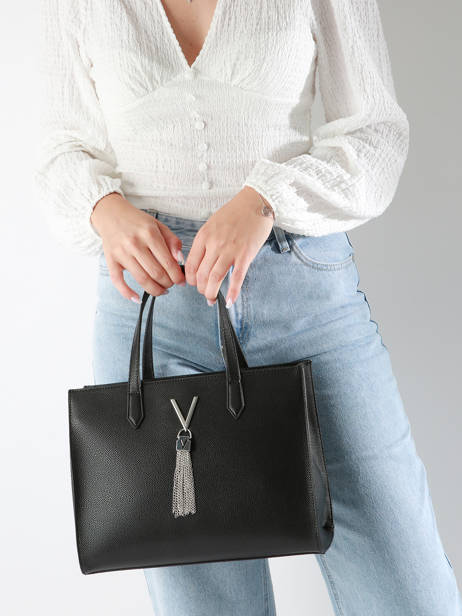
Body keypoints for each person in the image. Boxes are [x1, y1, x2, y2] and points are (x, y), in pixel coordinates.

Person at [35, 1, 462, 614]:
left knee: (411, 595)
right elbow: (60, 148)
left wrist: (266, 197)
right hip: (154, 319)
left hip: (308, 306)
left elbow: (375, 135)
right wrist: (102, 208)